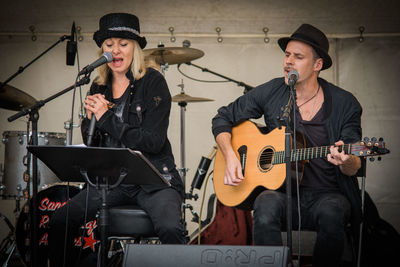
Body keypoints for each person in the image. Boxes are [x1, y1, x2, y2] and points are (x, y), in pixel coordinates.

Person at [212, 24, 362, 267]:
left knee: (333, 213)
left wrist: (347, 160)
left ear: (317, 65)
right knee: (265, 204)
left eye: (298, 57)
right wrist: (230, 155)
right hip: (282, 193)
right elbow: (222, 117)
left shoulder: (345, 103)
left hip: (327, 195)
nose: (288, 62)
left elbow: (355, 164)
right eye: (287, 54)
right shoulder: (274, 91)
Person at [48, 13, 185, 266]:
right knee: (60, 221)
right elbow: (93, 145)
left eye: (123, 44)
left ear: (135, 48)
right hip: (113, 180)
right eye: (109, 45)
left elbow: (153, 141)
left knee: (171, 228)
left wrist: (107, 117)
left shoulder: (154, 82)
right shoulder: (98, 86)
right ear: (103, 50)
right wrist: (90, 119)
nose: (115, 51)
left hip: (154, 179)